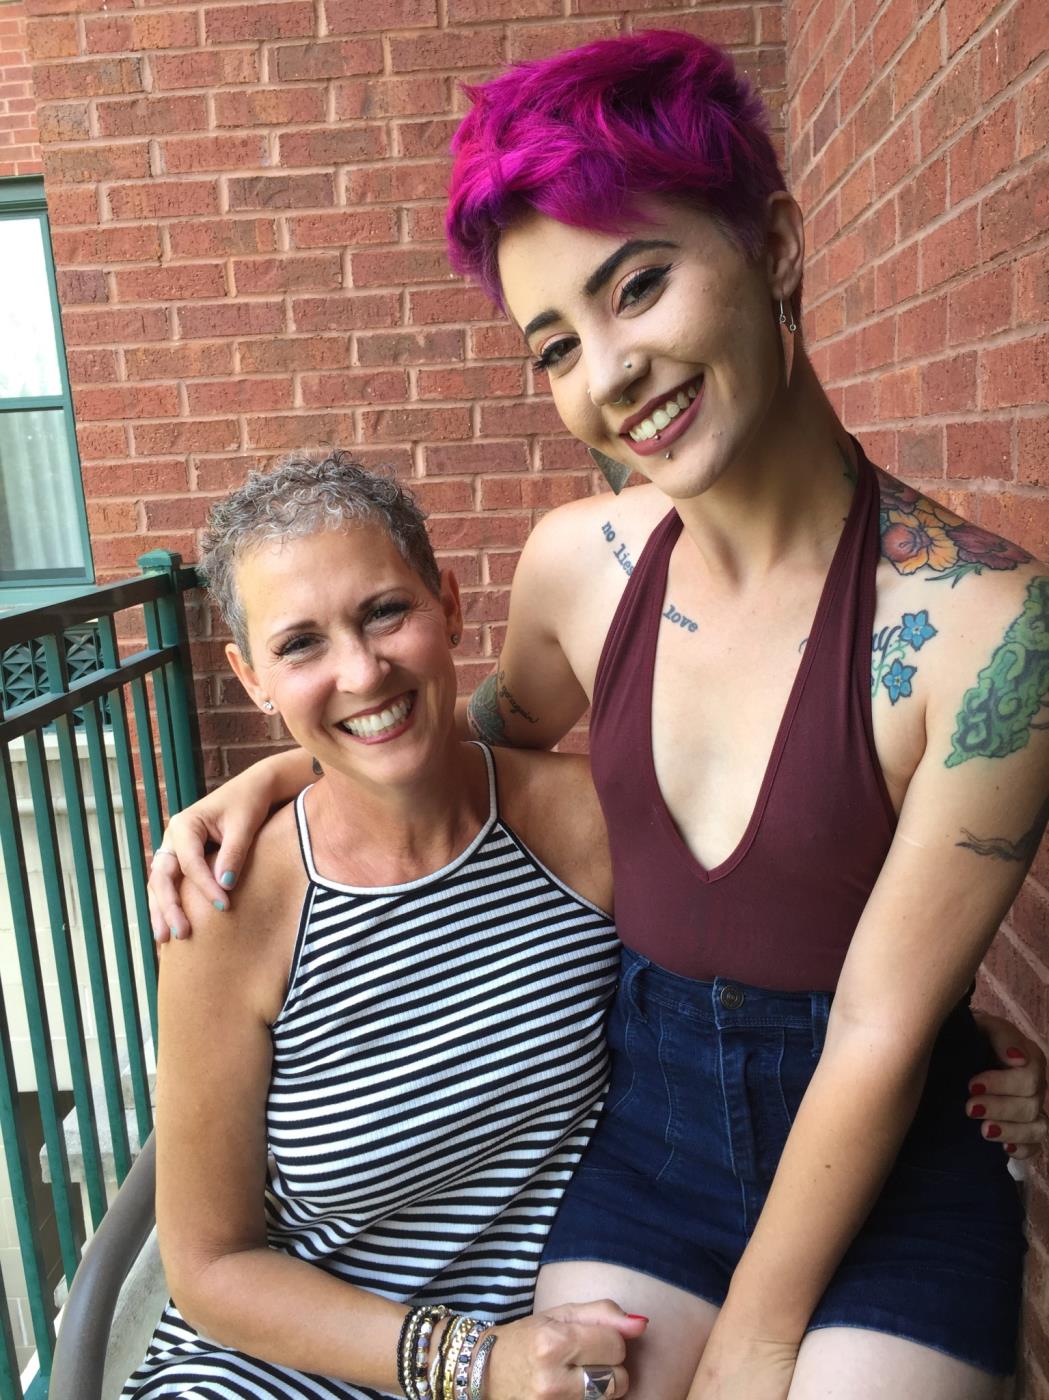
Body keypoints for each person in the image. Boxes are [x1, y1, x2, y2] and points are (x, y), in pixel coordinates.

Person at [148, 30, 1049, 1400]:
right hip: (658, 1140)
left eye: (638, 286)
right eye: (558, 345)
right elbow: (462, 737)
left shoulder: (989, 632)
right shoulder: (584, 568)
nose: (610, 373)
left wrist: (753, 1348)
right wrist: (278, 779)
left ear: (776, 247)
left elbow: (877, 1027)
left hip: (889, 1156)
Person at [124, 456, 647, 1400]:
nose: (361, 672)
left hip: (551, 1347)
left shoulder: (588, 826)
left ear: (448, 605)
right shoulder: (227, 905)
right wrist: (470, 1363)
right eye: (300, 645)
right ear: (252, 679)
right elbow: (208, 1264)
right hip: (287, 1361)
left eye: (384, 613)